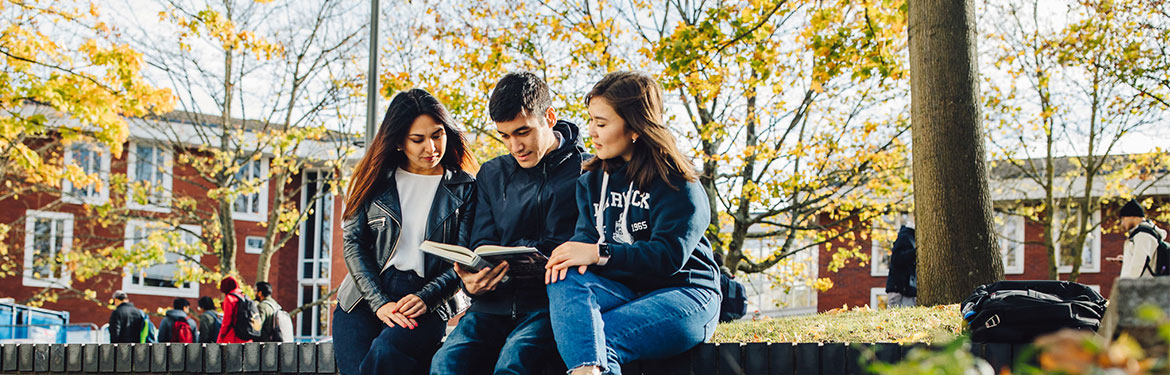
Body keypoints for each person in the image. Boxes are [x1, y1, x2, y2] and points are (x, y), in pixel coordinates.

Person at [544, 71, 721, 375]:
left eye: (601, 123)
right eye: (590, 121)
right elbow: (584, 249)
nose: (592, 132)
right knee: (564, 274)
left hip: (686, 293)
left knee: (601, 339)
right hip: (625, 292)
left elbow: (667, 257)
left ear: (635, 128)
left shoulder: (678, 183)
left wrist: (601, 253)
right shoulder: (591, 181)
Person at [431, 72, 586, 375]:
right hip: (492, 305)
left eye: (523, 132)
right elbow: (480, 242)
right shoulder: (492, 173)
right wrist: (472, 282)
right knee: (445, 364)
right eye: (505, 136)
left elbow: (571, 244)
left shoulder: (586, 172)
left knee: (513, 364)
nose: (515, 146)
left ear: (549, 117)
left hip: (549, 306)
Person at [332, 88, 478, 375]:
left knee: (385, 354)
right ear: (399, 142)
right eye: (418, 139)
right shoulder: (374, 180)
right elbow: (353, 243)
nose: (431, 148)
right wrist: (380, 303)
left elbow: (465, 259)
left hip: (426, 299)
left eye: (437, 135)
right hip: (364, 297)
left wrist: (427, 297)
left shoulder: (466, 188)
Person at [1119, 199, 1167, 278]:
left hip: (1141, 288)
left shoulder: (1143, 235)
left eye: (1123, 219)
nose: (1122, 223)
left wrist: (1127, 286)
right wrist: (1126, 259)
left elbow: (1138, 264)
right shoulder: (1143, 234)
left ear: (1132, 216)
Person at [885, 225, 917, 307]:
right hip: (900, 290)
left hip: (906, 289)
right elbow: (897, 259)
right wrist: (915, 252)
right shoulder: (905, 237)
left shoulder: (908, 238)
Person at [216, 275, 252, 343]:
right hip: (246, 337)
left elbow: (227, 321)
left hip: (233, 337)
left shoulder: (229, 298)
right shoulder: (245, 297)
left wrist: (221, 336)